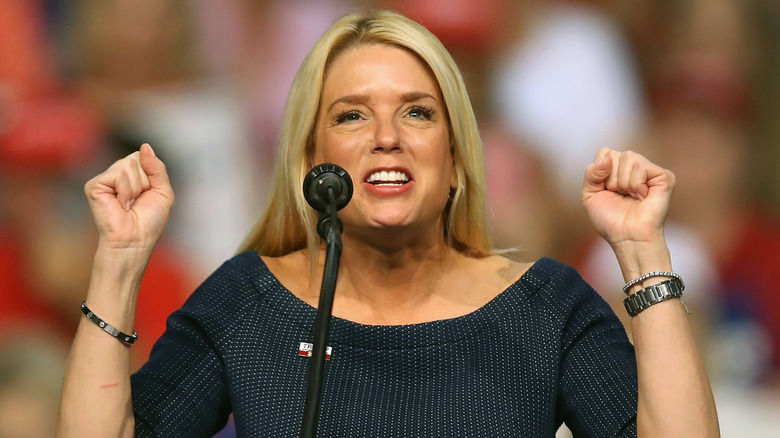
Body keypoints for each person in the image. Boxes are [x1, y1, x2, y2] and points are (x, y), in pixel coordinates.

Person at [57, 10, 719, 437]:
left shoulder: (545, 307)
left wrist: (641, 251)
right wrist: (119, 259)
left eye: (417, 113)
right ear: (310, 162)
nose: (386, 137)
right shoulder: (247, 303)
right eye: (351, 115)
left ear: (456, 161)